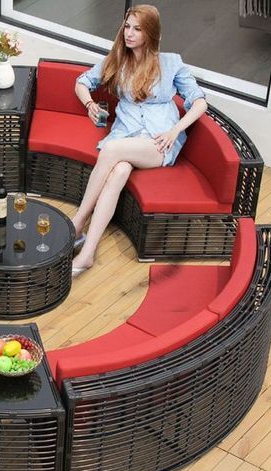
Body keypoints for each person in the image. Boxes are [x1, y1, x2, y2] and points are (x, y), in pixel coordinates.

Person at [71, 4, 207, 277]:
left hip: (157, 143)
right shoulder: (117, 60)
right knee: (118, 172)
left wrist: (175, 131)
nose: (129, 33)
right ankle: (87, 254)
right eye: (127, 27)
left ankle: (77, 223)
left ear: (150, 34)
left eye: (137, 29)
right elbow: (82, 82)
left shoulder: (171, 63)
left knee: (111, 150)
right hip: (127, 135)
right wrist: (89, 104)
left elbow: (200, 102)